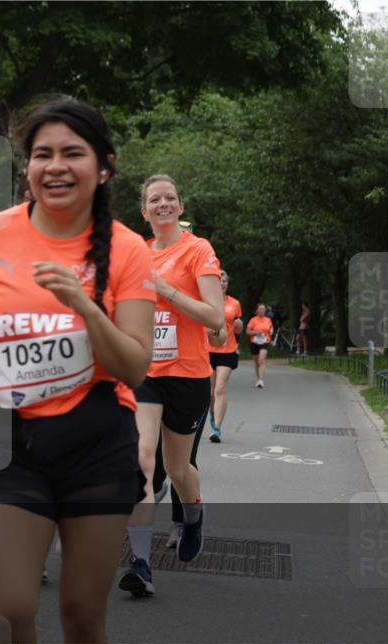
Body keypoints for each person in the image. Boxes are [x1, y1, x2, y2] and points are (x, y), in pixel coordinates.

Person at [0, 96, 154, 644]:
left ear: (103, 166)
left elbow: (134, 365)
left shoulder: (129, 250)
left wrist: (85, 306)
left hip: (99, 442)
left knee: (83, 616)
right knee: (5, 613)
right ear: (27, 167)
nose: (55, 166)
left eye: (72, 154)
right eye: (42, 155)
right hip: (5, 439)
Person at [119, 174, 223, 597]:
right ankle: (141, 563)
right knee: (144, 460)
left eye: (170, 198)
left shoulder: (198, 250)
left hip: (188, 375)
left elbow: (215, 318)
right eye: (154, 200)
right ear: (144, 211)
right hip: (147, 373)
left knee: (178, 469)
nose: (162, 204)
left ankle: (193, 513)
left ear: (180, 207)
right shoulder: (136, 254)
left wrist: (165, 291)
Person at [207, 269, 243, 443]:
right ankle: (212, 413)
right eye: (219, 280)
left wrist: (238, 326)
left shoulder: (234, 304)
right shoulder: (205, 301)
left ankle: (217, 428)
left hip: (227, 350)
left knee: (220, 388)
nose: (222, 283)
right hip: (207, 350)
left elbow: (238, 329)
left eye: (225, 281)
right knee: (211, 392)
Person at [247, 303, 274, 388]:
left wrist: (271, 331)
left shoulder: (268, 320)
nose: (262, 310)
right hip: (254, 342)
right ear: (257, 310)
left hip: (265, 341)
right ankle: (258, 379)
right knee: (256, 362)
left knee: (261, 360)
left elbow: (271, 327)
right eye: (261, 309)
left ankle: (261, 380)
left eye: (264, 309)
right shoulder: (253, 320)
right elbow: (247, 332)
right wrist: (255, 332)